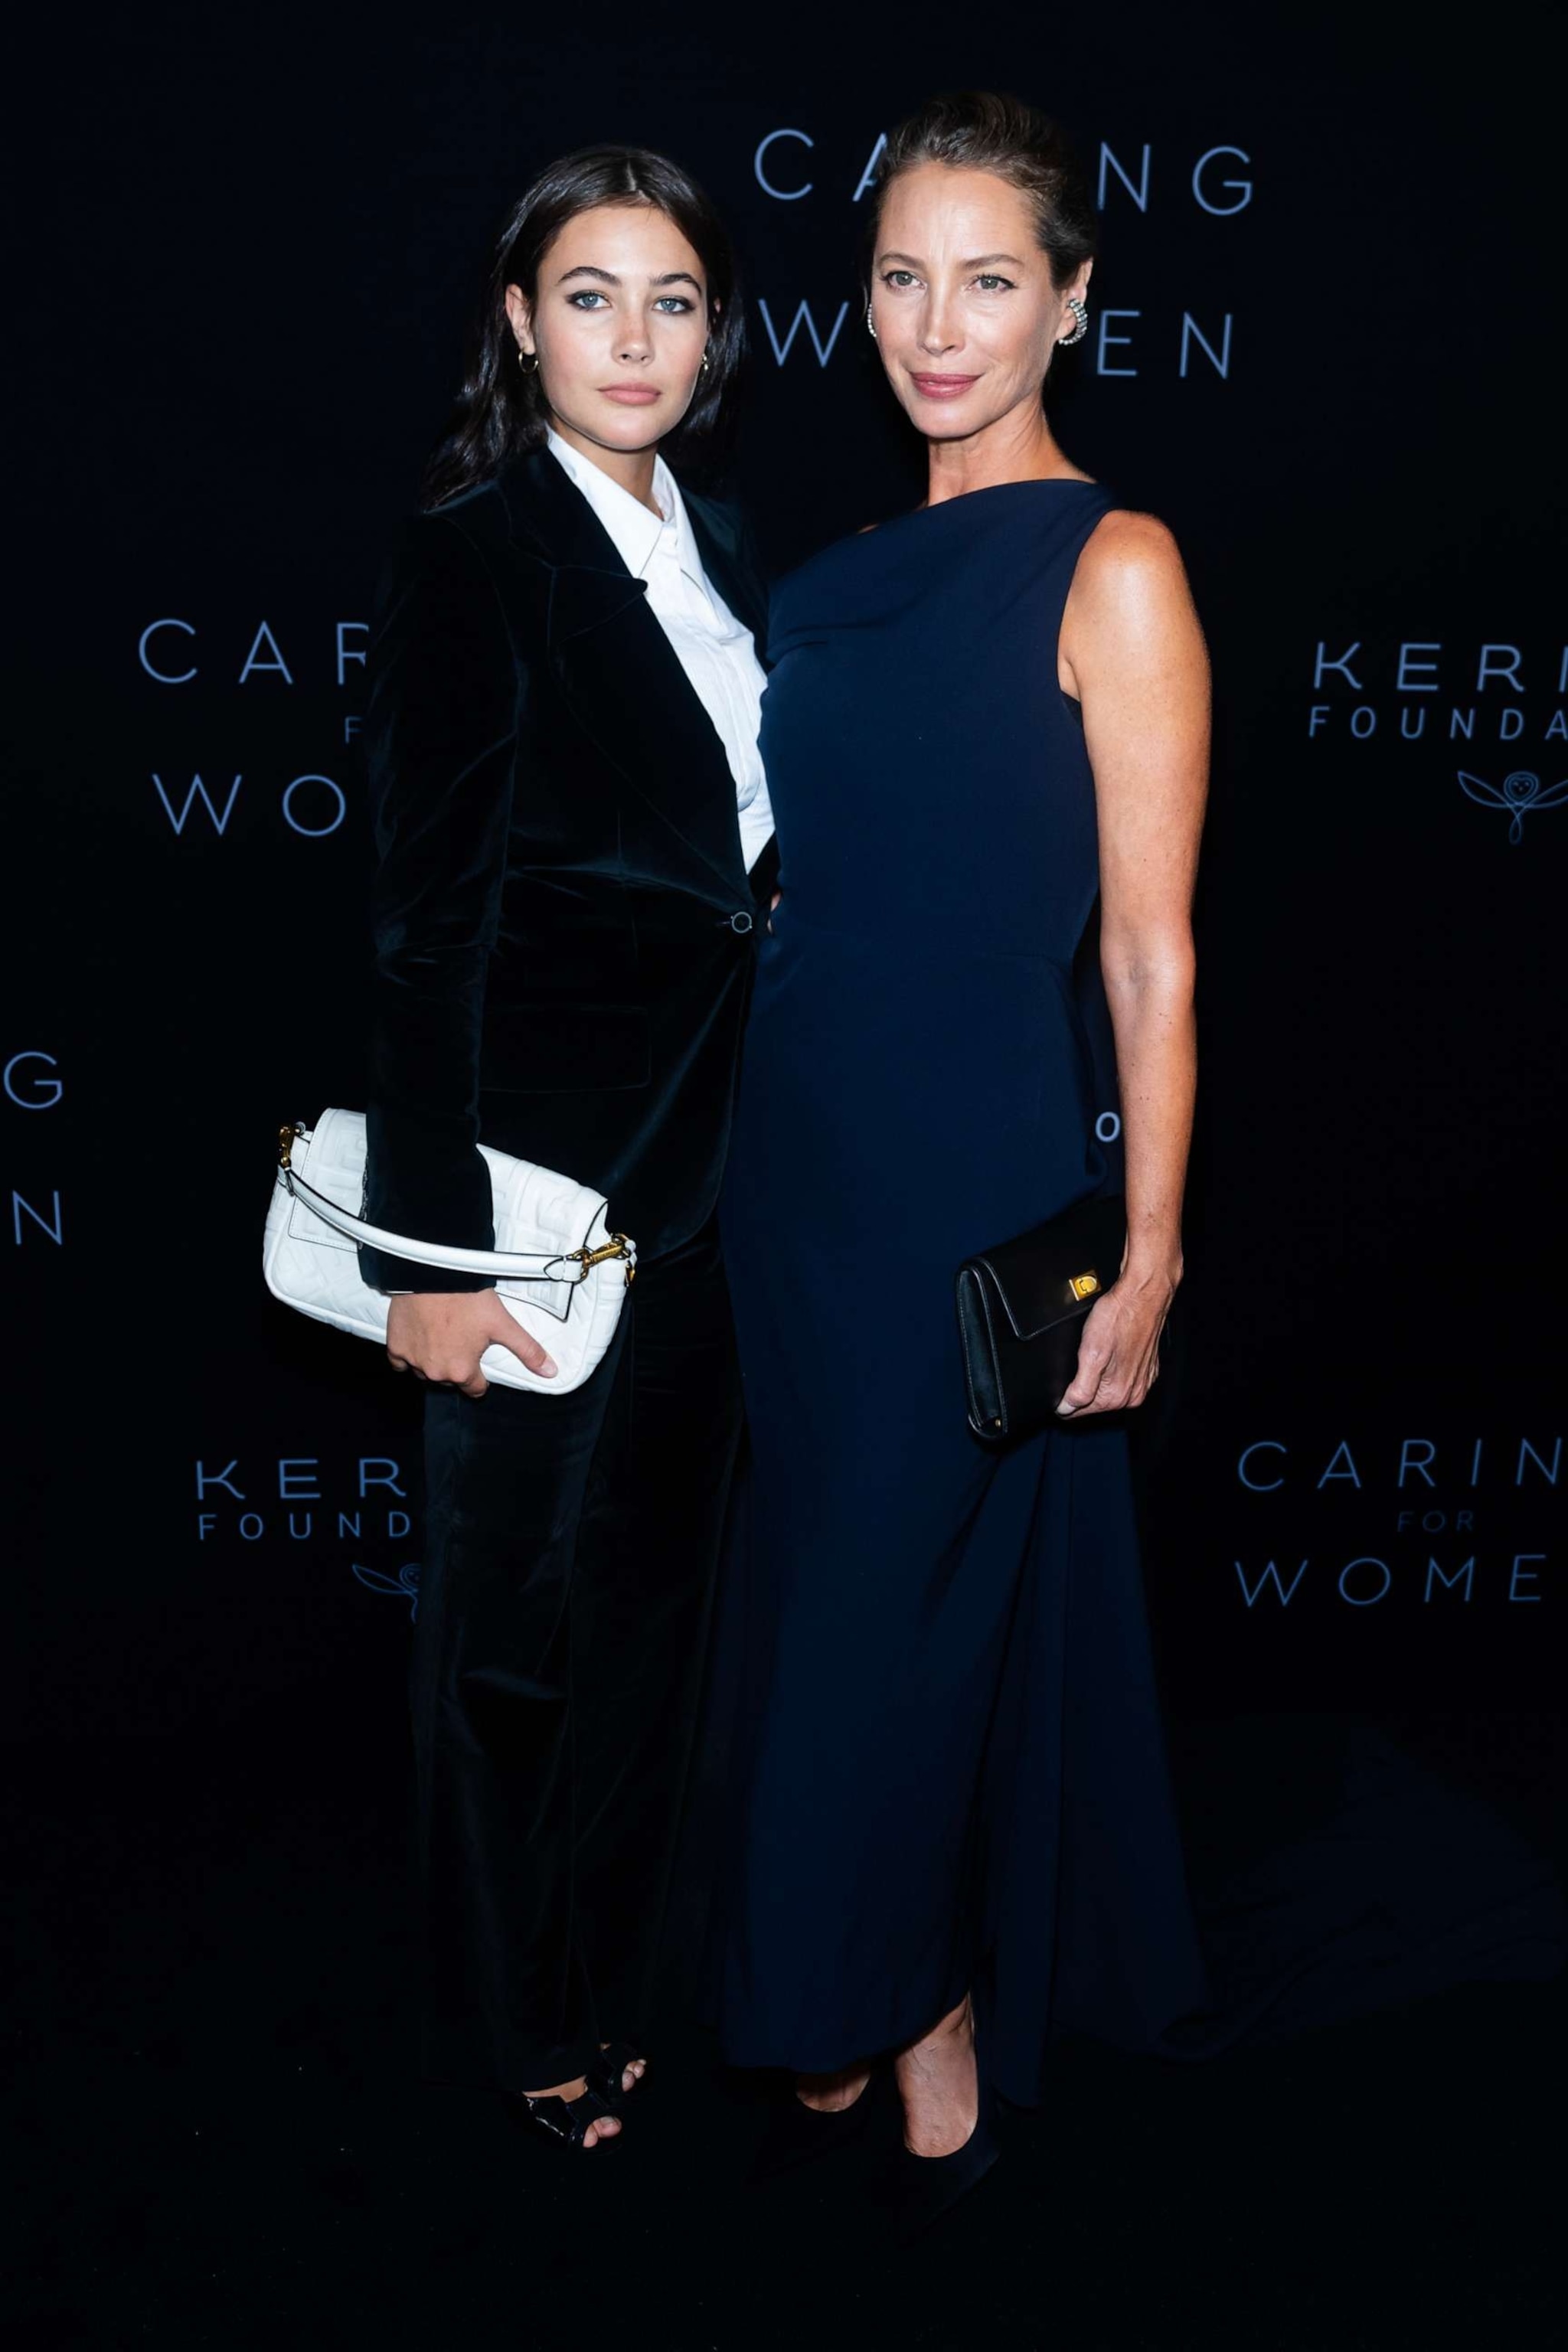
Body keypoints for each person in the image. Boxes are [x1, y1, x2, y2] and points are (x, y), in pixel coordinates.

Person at [714, 90, 1210, 2219]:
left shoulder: (1113, 566)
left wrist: (1159, 1250)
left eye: (989, 278)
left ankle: (906, 2000)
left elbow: (1154, 955)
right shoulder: (820, 579)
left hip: (977, 1165)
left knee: (890, 1615)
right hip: (792, 1149)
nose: (938, 323)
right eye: (903, 276)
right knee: (818, 1589)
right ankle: (847, 1974)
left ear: (1073, 303)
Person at [360, 145, 775, 2151]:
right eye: (592, 295)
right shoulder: (477, 559)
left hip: (718, 1198)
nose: (637, 338)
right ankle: (517, 2020)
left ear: (715, 336)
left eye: (675, 298)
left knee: (644, 1638)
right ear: (521, 324)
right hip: (530, 1209)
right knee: (509, 1649)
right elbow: (428, 929)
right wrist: (426, 1257)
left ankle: (614, 1971)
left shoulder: (740, 554)